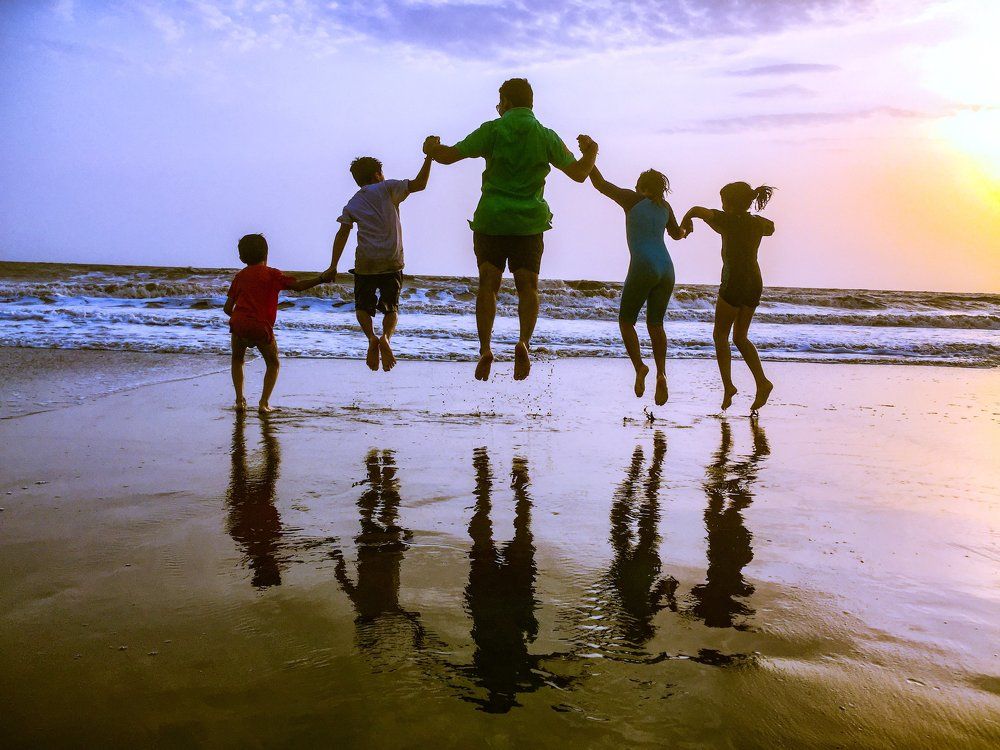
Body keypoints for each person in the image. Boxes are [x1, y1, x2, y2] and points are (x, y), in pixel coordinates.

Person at [424, 77, 598, 382]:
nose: (497, 106)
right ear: (530, 103)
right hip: (529, 223)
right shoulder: (546, 136)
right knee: (528, 287)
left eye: (499, 101)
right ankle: (523, 342)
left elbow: (449, 156)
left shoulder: (493, 129)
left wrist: (432, 147)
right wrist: (591, 151)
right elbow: (580, 174)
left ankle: (486, 349)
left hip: (492, 219)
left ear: (506, 102)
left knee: (488, 285)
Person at [322, 151, 433, 372]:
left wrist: (333, 265)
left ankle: (372, 338)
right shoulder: (388, 188)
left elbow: (342, 233)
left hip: (366, 262)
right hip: (392, 260)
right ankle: (385, 338)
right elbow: (420, 184)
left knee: (362, 307)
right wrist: (429, 157)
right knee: (391, 308)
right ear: (377, 174)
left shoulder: (353, 203)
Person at [588, 165, 686, 405]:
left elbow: (601, 184)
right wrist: (687, 228)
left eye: (636, 186)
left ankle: (640, 367)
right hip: (667, 269)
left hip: (643, 265)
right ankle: (662, 373)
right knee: (655, 324)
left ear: (642, 187)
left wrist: (588, 156)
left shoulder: (632, 199)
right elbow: (677, 234)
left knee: (626, 321)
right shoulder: (665, 207)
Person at [680, 183, 776, 412]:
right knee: (741, 337)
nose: (721, 204)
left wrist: (686, 223)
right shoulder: (756, 223)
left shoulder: (727, 220)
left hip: (734, 280)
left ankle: (728, 386)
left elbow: (695, 209)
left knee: (720, 335)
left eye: (723, 200)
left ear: (730, 204)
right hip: (754, 281)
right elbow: (770, 228)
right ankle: (762, 382)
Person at [224, 233, 327, 413]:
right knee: (273, 363)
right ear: (266, 254)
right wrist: (321, 279)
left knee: (237, 359)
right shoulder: (272, 274)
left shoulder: (239, 276)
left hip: (239, 323)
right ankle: (263, 404)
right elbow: (298, 286)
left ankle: (240, 401)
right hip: (261, 326)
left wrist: (241, 321)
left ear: (241, 257)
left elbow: (227, 308)